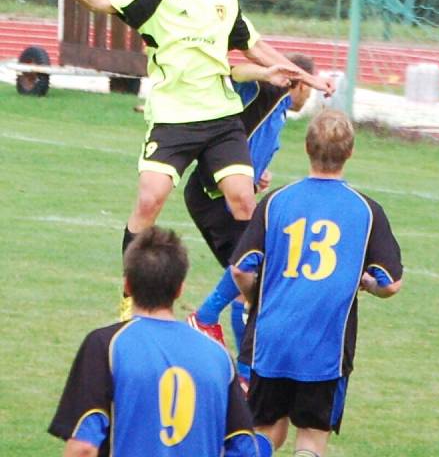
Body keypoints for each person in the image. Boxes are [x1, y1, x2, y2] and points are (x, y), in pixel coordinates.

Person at [44, 0, 333, 318]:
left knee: (243, 200)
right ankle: (131, 295)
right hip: (173, 120)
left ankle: (258, 294)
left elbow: (255, 47)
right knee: (150, 199)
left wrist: (305, 76)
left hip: (220, 121)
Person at [231, 109, 403, 457]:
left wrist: (253, 300)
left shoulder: (277, 201)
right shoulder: (366, 210)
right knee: (311, 437)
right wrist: (368, 284)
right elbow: (390, 283)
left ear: (307, 147)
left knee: (266, 429)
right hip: (326, 344)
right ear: (350, 153)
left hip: (272, 336)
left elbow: (241, 269)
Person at [48, 226, 272, 457]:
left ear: (127, 285)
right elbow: (243, 448)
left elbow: (83, 447)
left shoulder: (106, 346)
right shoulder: (217, 356)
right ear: (179, 289)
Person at [185, 53, 316, 376]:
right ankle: (213, 328)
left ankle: (244, 369)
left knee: (251, 279)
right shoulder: (268, 93)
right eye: (308, 88)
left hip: (220, 195)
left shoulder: (279, 114)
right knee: (254, 271)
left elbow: (243, 145)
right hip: (214, 196)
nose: (310, 96)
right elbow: (233, 74)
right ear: (298, 83)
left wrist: (255, 175)